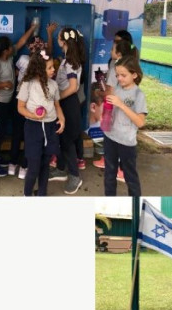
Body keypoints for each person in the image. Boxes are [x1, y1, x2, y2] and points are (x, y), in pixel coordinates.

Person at [0, 24, 35, 177]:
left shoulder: (9, 57)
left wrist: (32, 28)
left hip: (7, 102)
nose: (12, 48)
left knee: (1, 131)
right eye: (9, 47)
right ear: (5, 51)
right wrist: (4, 84)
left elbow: (20, 42)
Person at [17, 50, 64, 197]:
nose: (53, 70)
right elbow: (20, 107)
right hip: (33, 128)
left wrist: (62, 119)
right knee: (34, 167)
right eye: (49, 68)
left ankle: (42, 193)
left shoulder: (54, 85)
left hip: (50, 128)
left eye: (53, 67)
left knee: (46, 164)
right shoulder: (28, 84)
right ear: (39, 69)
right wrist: (33, 116)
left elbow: (57, 105)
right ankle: (27, 194)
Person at [93, 38, 140, 176]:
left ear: (118, 54)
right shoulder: (133, 68)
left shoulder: (115, 70)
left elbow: (110, 92)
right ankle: (123, 168)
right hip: (127, 108)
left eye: (112, 49)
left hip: (115, 107)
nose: (110, 51)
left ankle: (117, 168)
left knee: (114, 136)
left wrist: (98, 92)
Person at [103, 55, 147, 197]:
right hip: (110, 137)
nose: (119, 78)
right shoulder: (117, 88)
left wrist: (121, 104)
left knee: (130, 177)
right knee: (109, 174)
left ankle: (134, 204)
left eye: (123, 75)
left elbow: (140, 122)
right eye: (117, 75)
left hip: (126, 142)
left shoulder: (138, 95)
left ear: (134, 74)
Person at [48, 26, 85, 195]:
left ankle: (75, 175)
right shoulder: (68, 58)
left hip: (68, 103)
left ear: (62, 41)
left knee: (67, 140)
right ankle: (62, 169)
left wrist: (57, 99)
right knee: (62, 138)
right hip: (66, 103)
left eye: (58, 37)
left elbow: (73, 87)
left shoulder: (70, 61)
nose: (57, 40)